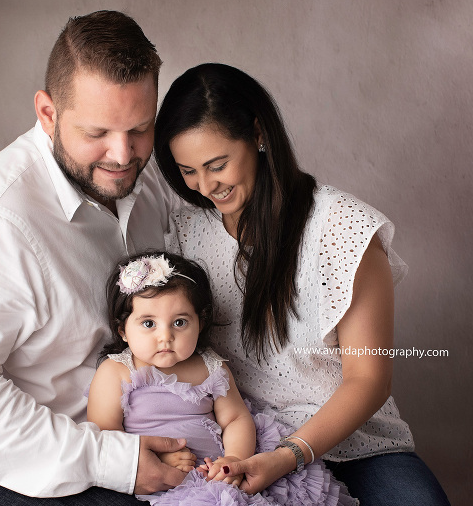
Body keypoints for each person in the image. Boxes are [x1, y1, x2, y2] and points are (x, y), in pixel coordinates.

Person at [0, 11, 187, 506]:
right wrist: (114, 461)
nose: (123, 155)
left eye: (140, 128)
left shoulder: (146, 181)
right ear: (47, 113)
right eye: (97, 132)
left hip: (122, 436)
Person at [153, 63, 451, 506]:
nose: (206, 186)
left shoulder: (342, 230)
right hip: (232, 436)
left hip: (349, 442)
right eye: (188, 171)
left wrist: (285, 455)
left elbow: (368, 378)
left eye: (217, 165)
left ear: (257, 134)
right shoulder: (185, 231)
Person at [87, 252, 357, 506]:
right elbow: (105, 435)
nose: (165, 336)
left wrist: (234, 459)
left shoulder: (210, 365)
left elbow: (236, 418)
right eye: (149, 323)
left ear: (200, 324)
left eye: (180, 322)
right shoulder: (117, 371)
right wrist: (154, 458)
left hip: (220, 473)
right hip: (164, 481)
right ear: (123, 330)